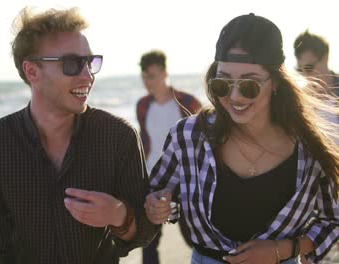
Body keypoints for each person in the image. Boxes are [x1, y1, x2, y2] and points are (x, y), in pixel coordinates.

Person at [144, 13, 339, 264]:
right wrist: (158, 206)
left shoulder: (310, 148)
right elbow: (163, 198)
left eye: (249, 85)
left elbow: (332, 221)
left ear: (276, 82)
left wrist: (281, 250)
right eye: (222, 84)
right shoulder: (188, 136)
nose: (235, 97)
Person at [0, 7, 158, 264]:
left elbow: (145, 231)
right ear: (32, 71)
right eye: (72, 64)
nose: (88, 76)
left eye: (90, 62)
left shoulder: (119, 136)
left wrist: (119, 215)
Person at [136, 50, 201, 264]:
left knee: (194, 238)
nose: (148, 82)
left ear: (165, 73)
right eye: (145, 77)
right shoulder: (143, 105)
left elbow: (203, 141)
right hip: (154, 179)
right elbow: (146, 142)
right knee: (148, 241)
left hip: (186, 182)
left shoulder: (187, 102)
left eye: (152, 76)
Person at [294, 30, 339, 96]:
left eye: (308, 68)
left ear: (325, 58)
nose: (306, 76)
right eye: (299, 70)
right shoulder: (303, 98)